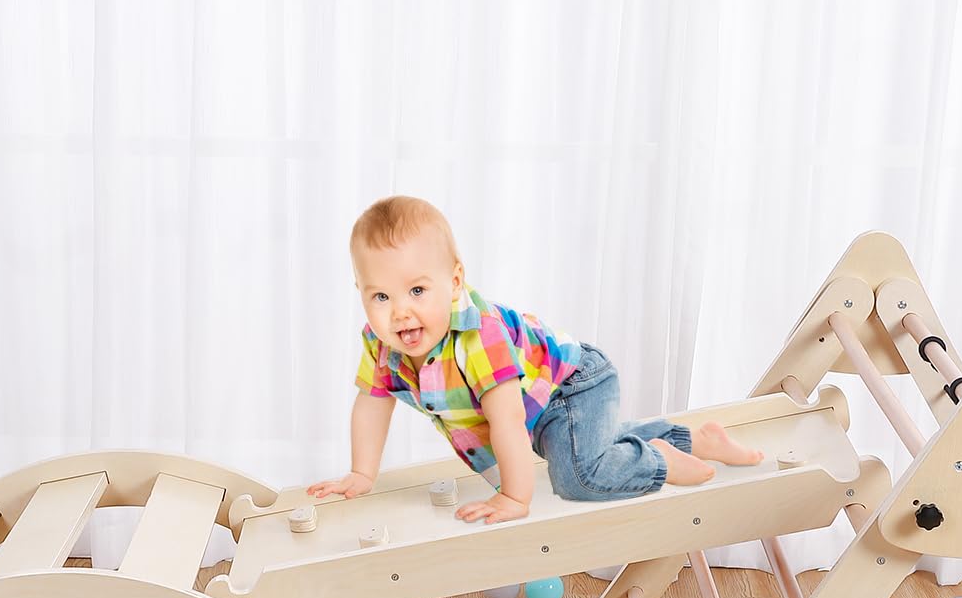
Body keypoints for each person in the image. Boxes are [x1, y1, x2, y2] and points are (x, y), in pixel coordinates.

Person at [307, 196, 762, 524]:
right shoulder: (381, 343)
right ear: (361, 293)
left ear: (455, 281)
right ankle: (694, 439)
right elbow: (372, 402)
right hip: (537, 401)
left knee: (578, 476)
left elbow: (506, 420)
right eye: (381, 296)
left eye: (417, 290)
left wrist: (514, 497)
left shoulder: (477, 339)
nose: (400, 312)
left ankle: (659, 459)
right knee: (582, 445)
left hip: (573, 384)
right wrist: (362, 473)